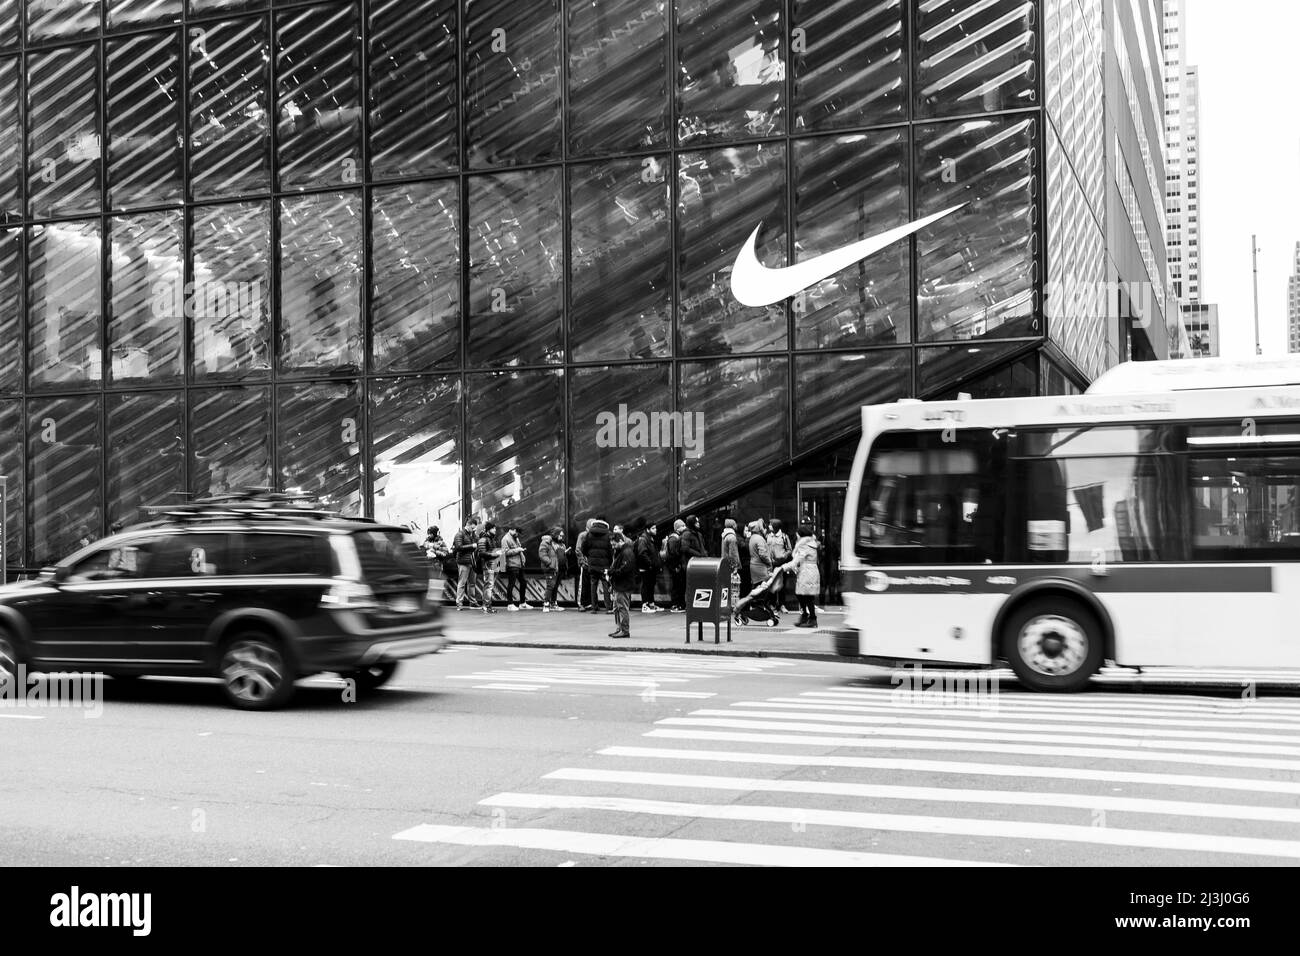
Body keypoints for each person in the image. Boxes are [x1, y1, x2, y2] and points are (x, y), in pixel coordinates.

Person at [778, 523, 822, 629]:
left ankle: (811, 618)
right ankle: (806, 617)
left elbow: (797, 559)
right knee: (802, 595)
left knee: (806, 596)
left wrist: (784, 567)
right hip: (808, 570)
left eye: (797, 534)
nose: (796, 536)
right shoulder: (810, 543)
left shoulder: (805, 545)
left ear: (801, 535)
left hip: (807, 571)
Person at [608, 526, 637, 639]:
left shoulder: (626, 552)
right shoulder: (623, 551)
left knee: (622, 608)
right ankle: (620, 628)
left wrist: (612, 572)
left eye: (614, 544)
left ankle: (624, 630)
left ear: (620, 541)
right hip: (619, 584)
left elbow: (625, 569)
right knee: (617, 608)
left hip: (623, 585)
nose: (613, 547)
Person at [581, 518, 614, 613]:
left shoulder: (589, 534)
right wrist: (609, 560)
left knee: (593, 585)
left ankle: (594, 607)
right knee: (606, 585)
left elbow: (583, 548)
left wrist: (590, 556)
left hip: (592, 564)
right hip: (605, 565)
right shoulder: (608, 534)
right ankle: (608, 607)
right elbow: (610, 550)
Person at [452, 516, 481, 609]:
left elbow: (478, 543)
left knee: (472, 583)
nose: (473, 529)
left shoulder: (473, 535)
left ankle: (472, 602)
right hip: (463, 562)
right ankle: (459, 603)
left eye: (474, 528)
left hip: (472, 561)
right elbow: (458, 547)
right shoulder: (459, 534)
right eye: (472, 527)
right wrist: (471, 545)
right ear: (467, 525)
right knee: (462, 583)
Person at [746, 518, 772, 619]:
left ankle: (759, 607)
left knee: (758, 587)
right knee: (763, 588)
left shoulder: (753, 538)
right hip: (760, 566)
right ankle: (759, 608)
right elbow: (763, 554)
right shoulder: (759, 539)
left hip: (755, 565)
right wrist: (769, 562)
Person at [501, 525, 530, 610]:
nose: (517, 534)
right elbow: (505, 552)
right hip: (511, 564)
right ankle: (510, 604)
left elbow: (518, 548)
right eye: (516, 532)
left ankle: (522, 603)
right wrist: (517, 550)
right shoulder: (505, 539)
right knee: (511, 584)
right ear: (511, 530)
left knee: (524, 583)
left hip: (519, 564)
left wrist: (523, 557)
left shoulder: (515, 538)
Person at [538, 528, 568, 612]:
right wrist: (550, 563)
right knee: (550, 586)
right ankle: (546, 604)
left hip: (559, 568)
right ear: (555, 534)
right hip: (551, 568)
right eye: (560, 535)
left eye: (563, 536)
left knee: (555, 586)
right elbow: (542, 554)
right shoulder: (547, 542)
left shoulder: (561, 544)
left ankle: (553, 604)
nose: (562, 537)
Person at [767, 518, 793, 610]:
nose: (769, 526)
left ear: (775, 526)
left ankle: (782, 604)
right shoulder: (768, 536)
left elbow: (789, 549)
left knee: (781, 585)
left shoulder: (784, 536)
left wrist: (784, 556)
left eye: (770, 524)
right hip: (771, 564)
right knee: (771, 584)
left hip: (781, 564)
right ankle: (772, 604)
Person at [635, 523, 662, 613]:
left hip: (650, 567)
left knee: (650, 585)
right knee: (646, 585)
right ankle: (645, 605)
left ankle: (651, 604)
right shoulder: (643, 539)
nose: (655, 530)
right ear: (647, 529)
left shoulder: (650, 539)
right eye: (653, 528)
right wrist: (650, 564)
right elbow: (642, 553)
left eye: (655, 528)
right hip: (646, 567)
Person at [476, 521, 502, 613]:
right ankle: (486, 606)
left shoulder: (491, 539)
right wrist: (495, 554)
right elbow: (481, 553)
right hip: (488, 565)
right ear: (489, 529)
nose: (495, 530)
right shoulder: (483, 539)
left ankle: (487, 605)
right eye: (493, 528)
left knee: (489, 585)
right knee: (489, 586)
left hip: (493, 564)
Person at [664, 519, 686, 611]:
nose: (685, 528)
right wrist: (676, 566)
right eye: (683, 526)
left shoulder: (676, 537)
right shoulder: (674, 538)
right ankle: (676, 604)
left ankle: (679, 604)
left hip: (676, 566)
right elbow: (673, 553)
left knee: (679, 585)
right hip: (675, 566)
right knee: (677, 586)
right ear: (677, 528)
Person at [575, 518, 594, 611]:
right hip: (585, 564)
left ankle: (587, 603)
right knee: (582, 584)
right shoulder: (583, 535)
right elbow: (578, 549)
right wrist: (582, 561)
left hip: (590, 564)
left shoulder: (591, 535)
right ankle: (580, 603)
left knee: (588, 584)